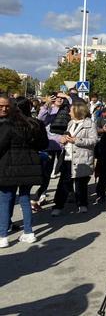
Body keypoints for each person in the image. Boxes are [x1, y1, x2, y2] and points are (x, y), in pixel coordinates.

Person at [0, 94, 48, 247]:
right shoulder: (35, 124)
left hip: (9, 167)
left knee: (5, 201)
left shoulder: (8, 125)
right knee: (25, 199)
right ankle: (28, 232)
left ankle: (3, 236)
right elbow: (43, 145)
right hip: (29, 166)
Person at [51, 101, 98, 216]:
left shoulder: (89, 124)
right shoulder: (71, 122)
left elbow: (93, 141)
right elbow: (67, 135)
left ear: (77, 111)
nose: (69, 112)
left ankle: (82, 204)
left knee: (81, 183)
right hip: (67, 156)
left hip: (81, 158)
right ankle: (58, 205)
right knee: (64, 182)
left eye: (71, 110)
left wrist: (77, 141)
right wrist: (64, 139)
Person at [35, 92, 70, 205]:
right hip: (49, 144)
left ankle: (62, 196)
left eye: (61, 98)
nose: (59, 99)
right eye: (57, 97)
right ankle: (42, 194)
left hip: (63, 145)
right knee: (46, 172)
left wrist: (68, 97)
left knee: (64, 171)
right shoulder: (48, 109)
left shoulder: (67, 109)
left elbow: (76, 105)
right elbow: (40, 120)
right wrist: (46, 105)